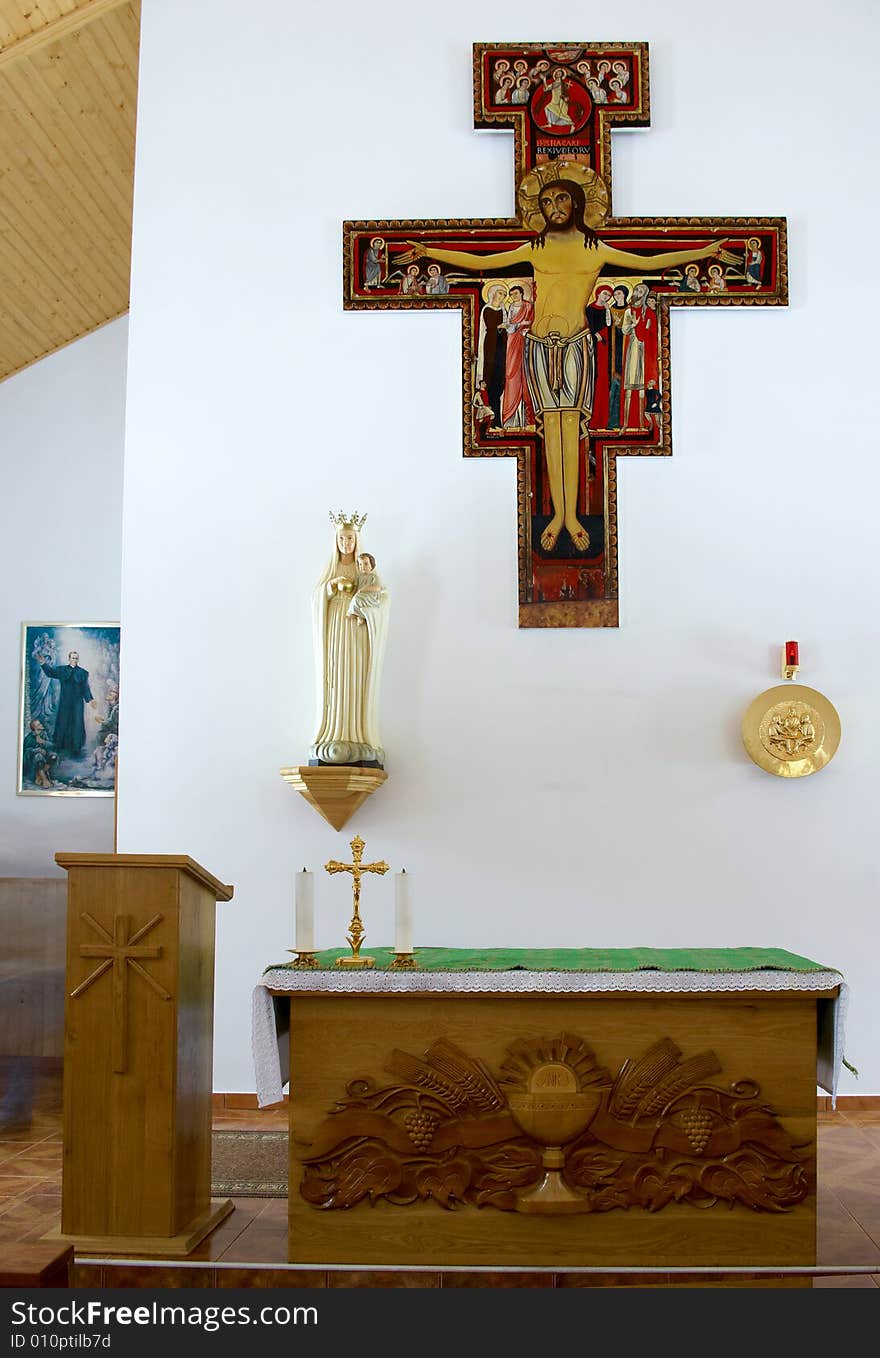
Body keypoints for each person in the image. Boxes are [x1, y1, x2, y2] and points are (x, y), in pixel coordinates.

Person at [401, 178, 726, 551]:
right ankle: (558, 513)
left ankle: (571, 516)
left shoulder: (595, 249)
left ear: (576, 203)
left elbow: (650, 261)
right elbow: (482, 263)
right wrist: (429, 251)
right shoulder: (536, 248)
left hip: (574, 345)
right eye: (547, 201)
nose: (554, 206)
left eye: (561, 198)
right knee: (550, 427)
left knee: (569, 428)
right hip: (538, 346)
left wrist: (703, 251)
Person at [311, 516, 389, 767]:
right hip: (336, 624)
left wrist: (365, 606)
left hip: (357, 627)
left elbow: (382, 597)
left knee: (353, 672)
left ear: (357, 541)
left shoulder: (364, 569)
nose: (346, 543)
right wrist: (331, 588)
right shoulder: (331, 570)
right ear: (336, 541)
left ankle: (356, 734)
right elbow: (316, 598)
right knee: (336, 674)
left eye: (350, 538)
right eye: (342, 539)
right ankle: (334, 732)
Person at [38, 650, 95, 758]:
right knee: (63, 722)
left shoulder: (83, 673)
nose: (74, 660)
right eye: (73, 658)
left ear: (78, 659)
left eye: (76, 658)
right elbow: (50, 672)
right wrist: (43, 664)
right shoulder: (62, 670)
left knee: (77, 723)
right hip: (65, 702)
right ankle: (60, 746)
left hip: (78, 703)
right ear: (69, 659)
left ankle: (76, 748)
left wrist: (90, 700)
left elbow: (85, 688)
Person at [501, 284, 534, 428]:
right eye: (512, 294)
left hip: (525, 339)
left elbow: (532, 321)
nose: (514, 296)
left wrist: (518, 325)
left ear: (521, 293)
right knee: (512, 372)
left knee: (526, 372)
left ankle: (528, 419)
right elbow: (509, 325)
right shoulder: (511, 308)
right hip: (513, 340)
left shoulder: (528, 306)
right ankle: (511, 417)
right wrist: (513, 326)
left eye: (516, 293)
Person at [21, 719, 57, 789]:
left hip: (45, 754)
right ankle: (44, 780)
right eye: (38, 725)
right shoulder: (29, 738)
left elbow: (52, 745)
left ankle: (39, 776)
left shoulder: (44, 734)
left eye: (40, 724)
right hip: (34, 759)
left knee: (53, 756)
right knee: (38, 757)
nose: (41, 725)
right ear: (34, 729)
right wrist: (37, 750)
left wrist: (43, 742)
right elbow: (26, 751)